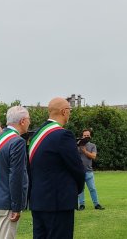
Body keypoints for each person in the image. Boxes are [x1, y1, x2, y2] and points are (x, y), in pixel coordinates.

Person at [28, 97, 85, 239]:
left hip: (38, 199)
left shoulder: (36, 135)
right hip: (59, 201)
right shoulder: (63, 135)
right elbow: (77, 168)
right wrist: (77, 189)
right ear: (64, 112)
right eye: (69, 111)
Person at [0, 106, 31, 239]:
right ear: (22, 121)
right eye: (28, 119)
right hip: (6, 202)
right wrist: (16, 206)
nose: (29, 123)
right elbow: (16, 175)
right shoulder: (17, 141)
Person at [77, 129, 105, 211]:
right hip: (79, 171)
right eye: (84, 135)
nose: (86, 137)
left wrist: (84, 151)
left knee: (92, 188)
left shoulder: (92, 145)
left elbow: (93, 156)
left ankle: (96, 204)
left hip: (89, 171)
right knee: (81, 189)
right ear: (82, 136)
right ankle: (81, 205)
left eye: (87, 135)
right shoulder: (76, 146)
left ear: (90, 136)